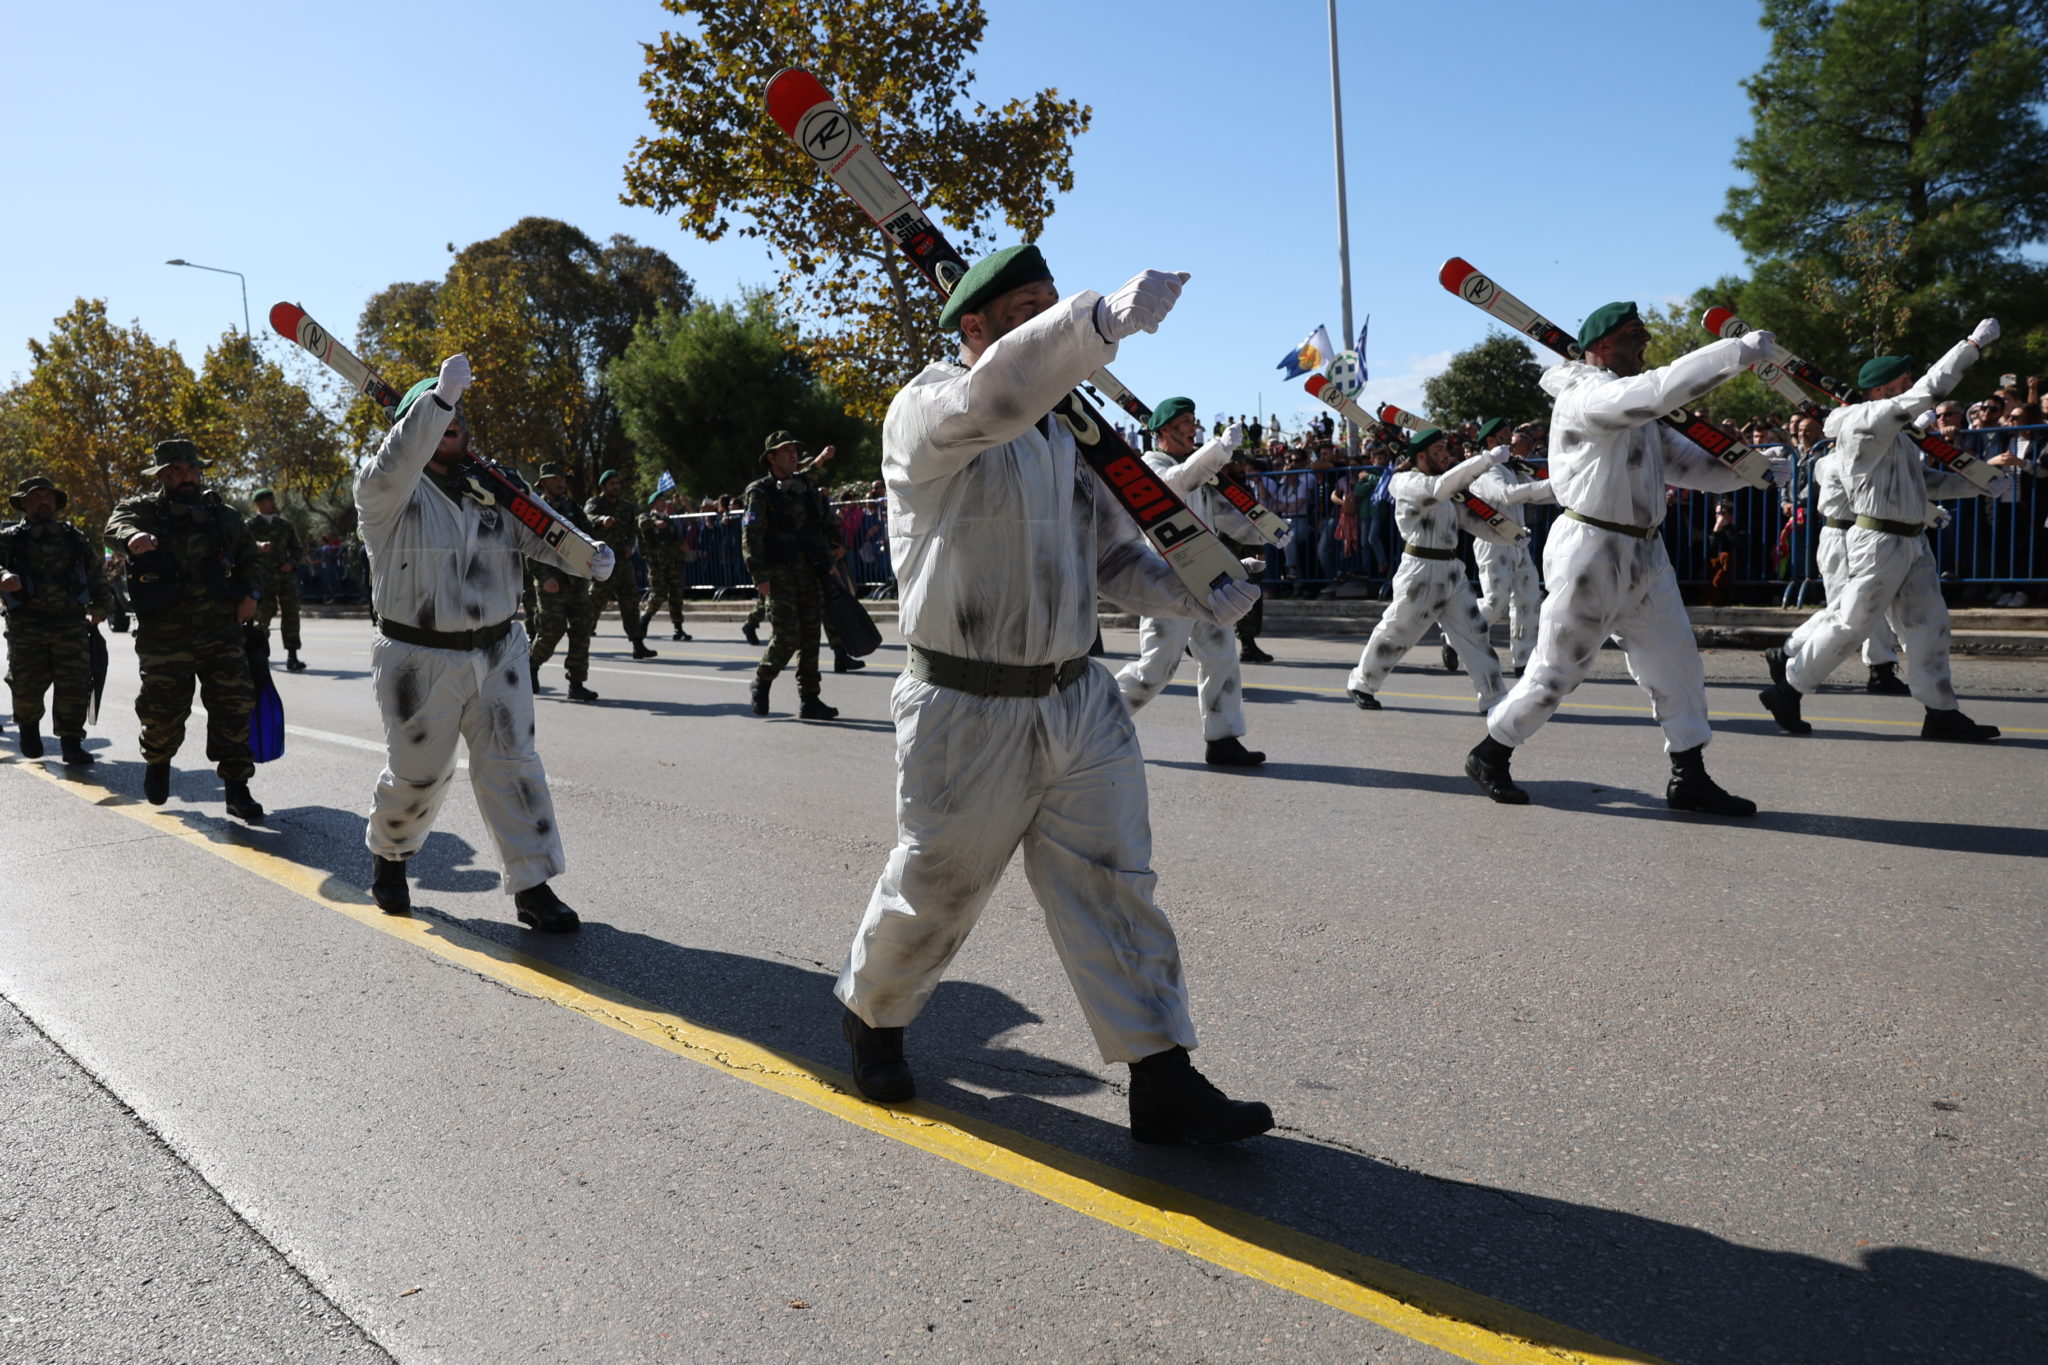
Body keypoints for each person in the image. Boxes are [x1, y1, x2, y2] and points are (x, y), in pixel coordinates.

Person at [833, 243, 1271, 1146]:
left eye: (1047, 307)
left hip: (1078, 697)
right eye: (1023, 311)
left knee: (1117, 887)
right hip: (965, 703)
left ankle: (1162, 1075)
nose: (1041, 325)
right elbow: (997, 394)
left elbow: (1112, 558)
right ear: (975, 328)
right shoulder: (927, 410)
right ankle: (873, 1017)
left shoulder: (1072, 441)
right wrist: (1094, 322)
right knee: (938, 886)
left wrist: (1192, 589)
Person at [1464, 302, 1785, 813]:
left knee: (1676, 664)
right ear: (1603, 346)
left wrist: (1748, 471)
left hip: (1646, 551)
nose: (1647, 338)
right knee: (1558, 669)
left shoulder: (1632, 408)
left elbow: (1685, 464)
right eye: (1635, 332)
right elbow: (1658, 390)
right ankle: (1492, 751)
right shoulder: (1587, 396)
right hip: (1591, 550)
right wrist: (1733, 353)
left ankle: (1690, 775)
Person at [356, 355, 613, 928]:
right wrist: (436, 400)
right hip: (418, 657)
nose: (450, 421)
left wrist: (585, 556)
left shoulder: (492, 487)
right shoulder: (385, 491)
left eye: (455, 413)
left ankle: (532, 885)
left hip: (500, 651)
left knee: (515, 767)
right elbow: (399, 460)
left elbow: (539, 530)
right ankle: (391, 859)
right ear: (410, 424)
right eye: (433, 414)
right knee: (418, 773)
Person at [1757, 326, 2010, 742]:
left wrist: (1980, 483)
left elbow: (1924, 483)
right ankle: (1788, 689)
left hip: (1911, 540)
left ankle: (1940, 711)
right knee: (1850, 624)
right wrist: (1971, 347)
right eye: (1901, 383)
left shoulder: (1898, 437)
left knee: (1930, 625)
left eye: (1907, 382)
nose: (1909, 387)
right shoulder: (1865, 422)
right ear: (1879, 392)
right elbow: (1930, 389)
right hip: (1878, 542)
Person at [103, 439, 264, 820]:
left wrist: (252, 594)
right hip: (164, 633)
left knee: (233, 708)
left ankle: (237, 788)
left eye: (191, 470)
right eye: (176, 471)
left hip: (220, 630)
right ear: (161, 476)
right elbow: (114, 527)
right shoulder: (141, 510)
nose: (186, 477)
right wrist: (131, 538)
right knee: (162, 712)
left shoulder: (222, 514)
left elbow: (249, 557)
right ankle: (158, 761)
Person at [1112, 397, 1272, 767]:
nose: (1194, 427)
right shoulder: (1151, 466)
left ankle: (1223, 739)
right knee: (1155, 670)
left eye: (1194, 420)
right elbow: (1173, 486)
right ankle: (1093, 725)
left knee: (1221, 658)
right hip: (1168, 584)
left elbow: (1225, 520)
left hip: (1208, 581)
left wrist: (1267, 531)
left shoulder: (1197, 473)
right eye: (1186, 421)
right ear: (1164, 431)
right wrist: (1219, 449)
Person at [1345, 428, 1511, 712]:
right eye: (1439, 451)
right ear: (1421, 456)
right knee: (1397, 631)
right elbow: (1438, 490)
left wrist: (1511, 537)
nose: (1446, 455)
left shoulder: (1445, 487)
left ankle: (1494, 697)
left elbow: (1472, 522)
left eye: (1446, 448)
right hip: (1420, 571)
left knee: (1475, 633)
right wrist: (1485, 460)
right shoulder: (1406, 482)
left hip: (1451, 570)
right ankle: (1361, 683)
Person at [1, 476, 112, 765]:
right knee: (26, 685)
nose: (44, 501)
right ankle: (28, 730)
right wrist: (3, 576)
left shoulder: (72, 537)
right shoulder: (11, 539)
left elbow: (95, 573)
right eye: (36, 496)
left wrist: (100, 609)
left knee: (74, 686)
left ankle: (71, 743)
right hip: (26, 625)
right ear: (24, 502)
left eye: (48, 496)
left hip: (70, 625)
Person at [742, 432, 841, 720]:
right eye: (786, 452)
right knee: (787, 637)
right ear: (771, 458)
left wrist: (831, 551)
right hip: (778, 573)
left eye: (795, 451)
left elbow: (816, 522)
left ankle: (810, 699)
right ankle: (762, 679)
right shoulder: (759, 492)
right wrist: (758, 575)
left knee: (811, 635)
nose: (794, 456)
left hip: (809, 571)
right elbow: (751, 535)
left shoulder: (802, 486)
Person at [526, 463, 601, 701]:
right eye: (555, 478)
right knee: (551, 630)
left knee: (582, 628)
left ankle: (576, 683)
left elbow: (587, 536)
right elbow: (528, 546)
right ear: (544, 482)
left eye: (563, 478)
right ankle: (531, 665)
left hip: (576, 579)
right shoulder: (536, 508)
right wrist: (544, 576)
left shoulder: (573, 508)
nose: (561, 482)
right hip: (551, 581)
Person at [585, 469, 656, 659]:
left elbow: (633, 529)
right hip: (602, 562)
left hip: (622, 563)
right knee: (594, 603)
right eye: (612, 484)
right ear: (603, 486)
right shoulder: (595, 503)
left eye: (618, 483)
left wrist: (629, 546)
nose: (616, 487)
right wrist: (602, 519)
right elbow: (587, 518)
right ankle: (581, 640)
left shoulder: (627, 507)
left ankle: (638, 645)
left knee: (630, 603)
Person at [247, 487, 307, 672]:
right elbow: (242, 547)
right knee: (262, 618)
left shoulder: (284, 525)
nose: (274, 504)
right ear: (259, 504)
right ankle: (261, 656)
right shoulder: (249, 526)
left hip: (284, 578)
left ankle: (292, 656)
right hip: (262, 579)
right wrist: (258, 547)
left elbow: (297, 549)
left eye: (273, 500)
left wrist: (292, 563)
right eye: (269, 501)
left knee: (291, 615)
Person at [637, 488, 692, 641]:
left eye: (664, 500)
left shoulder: (669, 521)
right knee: (659, 594)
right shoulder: (647, 517)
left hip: (672, 564)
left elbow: (674, 541)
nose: (664, 503)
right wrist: (655, 522)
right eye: (661, 500)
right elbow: (641, 523)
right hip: (657, 564)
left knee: (676, 595)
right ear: (653, 504)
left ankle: (678, 628)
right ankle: (644, 620)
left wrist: (682, 546)